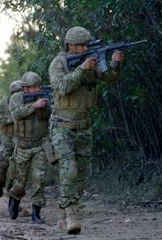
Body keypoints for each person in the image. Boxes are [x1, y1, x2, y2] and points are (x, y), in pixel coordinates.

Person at [48, 26, 124, 234]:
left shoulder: (92, 60)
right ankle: (72, 215)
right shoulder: (59, 63)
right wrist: (82, 69)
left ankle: (63, 215)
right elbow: (62, 87)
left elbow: (109, 78)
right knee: (69, 171)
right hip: (62, 127)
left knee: (81, 176)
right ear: (69, 45)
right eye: (80, 45)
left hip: (84, 126)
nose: (84, 48)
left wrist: (115, 64)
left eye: (86, 45)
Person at [7, 72, 48, 224]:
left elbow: (49, 116)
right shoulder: (16, 98)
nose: (38, 89)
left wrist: (46, 104)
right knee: (20, 182)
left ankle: (36, 214)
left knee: (39, 179)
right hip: (23, 147)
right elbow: (16, 114)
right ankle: (15, 199)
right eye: (34, 87)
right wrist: (34, 106)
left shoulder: (44, 97)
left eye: (39, 86)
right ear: (25, 88)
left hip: (38, 146)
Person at [0, 81, 20, 206]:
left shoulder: (26, 101)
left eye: (18, 92)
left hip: (21, 141)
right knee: (2, 168)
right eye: (14, 92)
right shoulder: (5, 102)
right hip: (7, 141)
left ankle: (12, 199)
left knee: (17, 172)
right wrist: (9, 120)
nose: (16, 95)